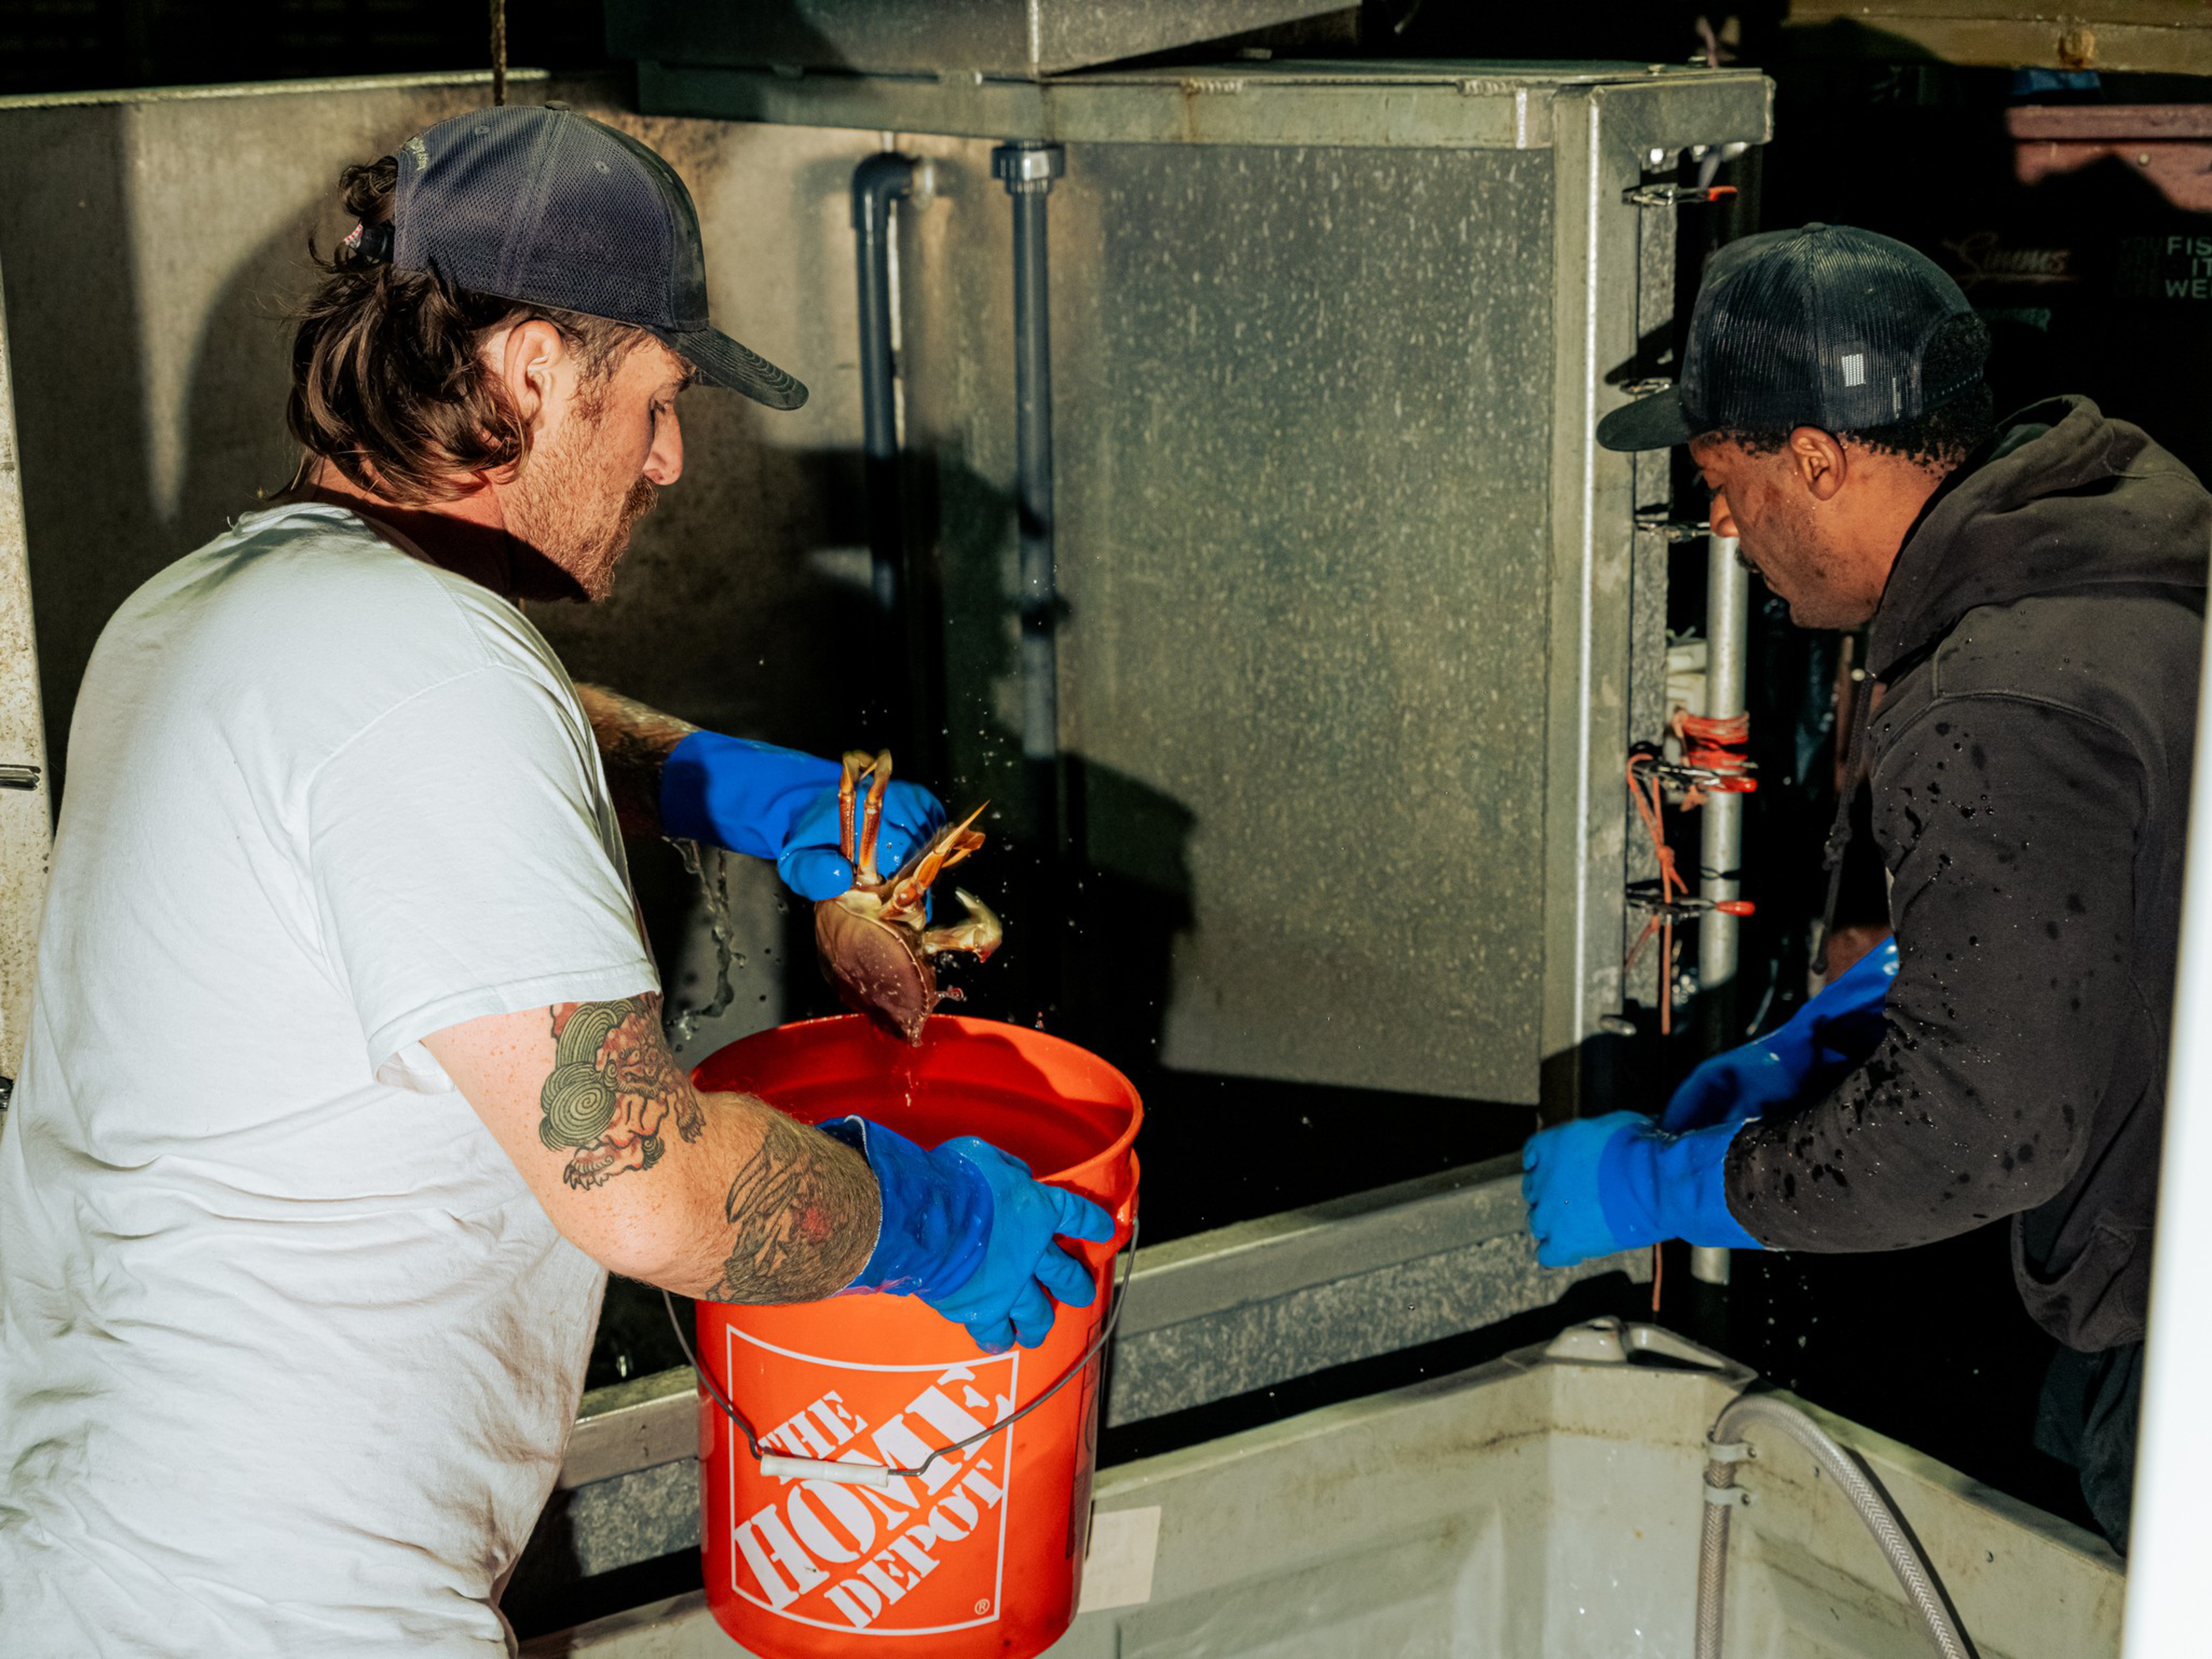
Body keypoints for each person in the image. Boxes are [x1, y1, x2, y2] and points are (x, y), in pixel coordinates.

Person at [0, 105, 1110, 1656]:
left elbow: (450, 755)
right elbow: (646, 1190)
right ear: (528, 371)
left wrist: (732, 787)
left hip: (102, 1562)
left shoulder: (208, 610)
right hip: (278, 1613)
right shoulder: (426, 672)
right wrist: (917, 1217)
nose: (666, 460)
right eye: (652, 400)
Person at [1520, 224, 2211, 1548]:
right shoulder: (2124, 568)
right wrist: (1863, 1013)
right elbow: (2136, 871)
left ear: (1819, 460)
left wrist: (1684, 1185)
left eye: (1723, 477)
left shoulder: (1992, 702)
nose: (1719, 521)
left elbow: (1975, 1135)